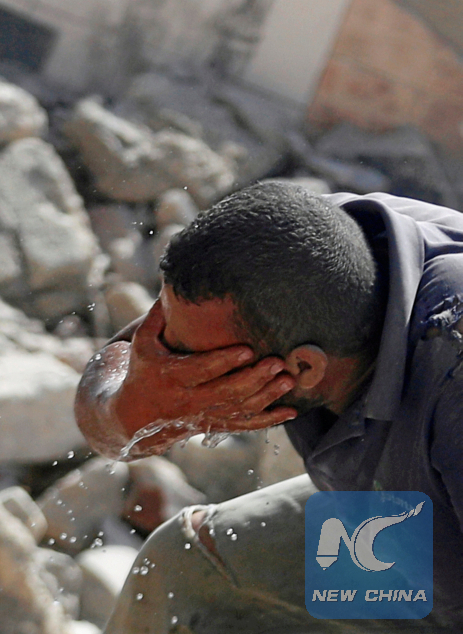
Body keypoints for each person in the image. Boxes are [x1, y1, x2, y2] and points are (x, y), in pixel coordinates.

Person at [75, 182, 463, 633]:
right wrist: (130, 406)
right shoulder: (295, 247)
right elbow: (119, 382)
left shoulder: (452, 363)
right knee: (186, 567)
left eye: (196, 364)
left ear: (304, 367)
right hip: (408, 530)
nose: (177, 375)